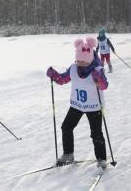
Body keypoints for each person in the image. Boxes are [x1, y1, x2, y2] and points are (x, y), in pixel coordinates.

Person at [46, 37, 108, 169]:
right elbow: (63, 79)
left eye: (84, 61)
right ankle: (68, 154)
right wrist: (54, 75)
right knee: (66, 127)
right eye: (78, 60)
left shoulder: (97, 70)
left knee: (96, 133)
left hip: (94, 106)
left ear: (90, 58)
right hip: (77, 104)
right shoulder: (74, 68)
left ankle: (101, 159)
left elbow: (104, 86)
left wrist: (99, 79)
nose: (80, 63)